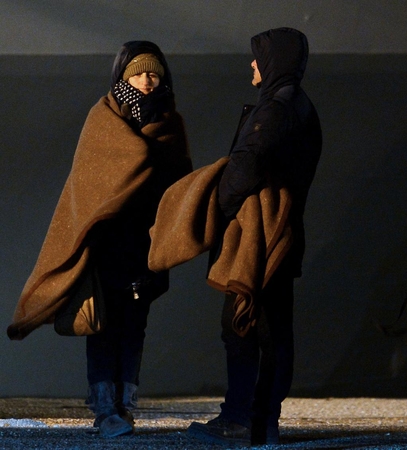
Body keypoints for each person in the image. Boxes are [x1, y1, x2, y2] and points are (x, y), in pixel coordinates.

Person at [7, 41, 192, 437]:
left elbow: (180, 184)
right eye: (139, 72)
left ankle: (126, 405)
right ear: (124, 77)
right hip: (107, 243)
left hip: (148, 244)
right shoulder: (104, 119)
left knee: (135, 325)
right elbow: (87, 183)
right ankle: (104, 407)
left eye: (154, 72)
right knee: (103, 326)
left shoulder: (170, 123)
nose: (147, 79)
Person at [186, 27, 322, 446]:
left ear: (273, 62)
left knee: (246, 327)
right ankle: (261, 420)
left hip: (261, 239)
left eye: (258, 57)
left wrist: (220, 208)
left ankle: (243, 420)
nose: (252, 64)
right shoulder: (299, 106)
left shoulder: (276, 110)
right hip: (282, 235)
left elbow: (246, 167)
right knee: (271, 328)